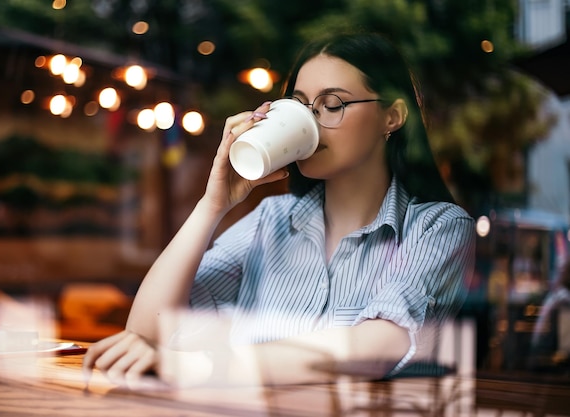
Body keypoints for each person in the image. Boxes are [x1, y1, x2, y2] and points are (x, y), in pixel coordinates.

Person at [83, 31, 476, 386]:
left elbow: (377, 346)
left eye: (332, 104)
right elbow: (147, 332)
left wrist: (201, 366)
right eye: (301, 105)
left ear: (391, 117)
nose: (310, 121)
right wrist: (212, 205)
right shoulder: (271, 220)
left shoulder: (436, 227)